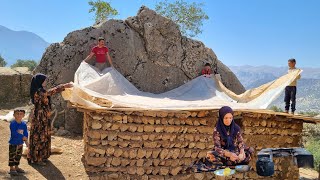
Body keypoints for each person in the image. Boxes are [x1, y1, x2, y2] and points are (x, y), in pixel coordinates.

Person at [188, 106, 254, 172]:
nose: (229, 120)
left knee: (250, 150)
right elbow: (217, 148)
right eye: (226, 118)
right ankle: (232, 164)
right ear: (222, 118)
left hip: (234, 152)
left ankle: (232, 163)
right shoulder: (217, 130)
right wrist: (229, 154)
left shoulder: (236, 128)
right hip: (223, 154)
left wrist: (242, 153)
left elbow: (240, 142)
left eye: (230, 118)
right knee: (210, 155)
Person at [27, 73, 72, 165]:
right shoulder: (39, 91)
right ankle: (37, 158)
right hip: (40, 118)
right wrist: (63, 86)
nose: (46, 82)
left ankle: (42, 156)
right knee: (40, 137)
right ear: (39, 81)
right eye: (44, 80)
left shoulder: (39, 90)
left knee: (44, 135)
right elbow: (49, 92)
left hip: (43, 117)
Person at [8, 108, 28, 176]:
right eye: (17, 114)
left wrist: (25, 138)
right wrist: (22, 137)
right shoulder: (13, 124)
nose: (19, 115)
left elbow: (25, 132)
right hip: (13, 143)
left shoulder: (24, 124)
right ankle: (11, 168)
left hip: (20, 143)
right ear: (14, 115)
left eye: (21, 114)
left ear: (23, 115)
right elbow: (14, 133)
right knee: (12, 156)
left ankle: (16, 167)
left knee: (18, 156)